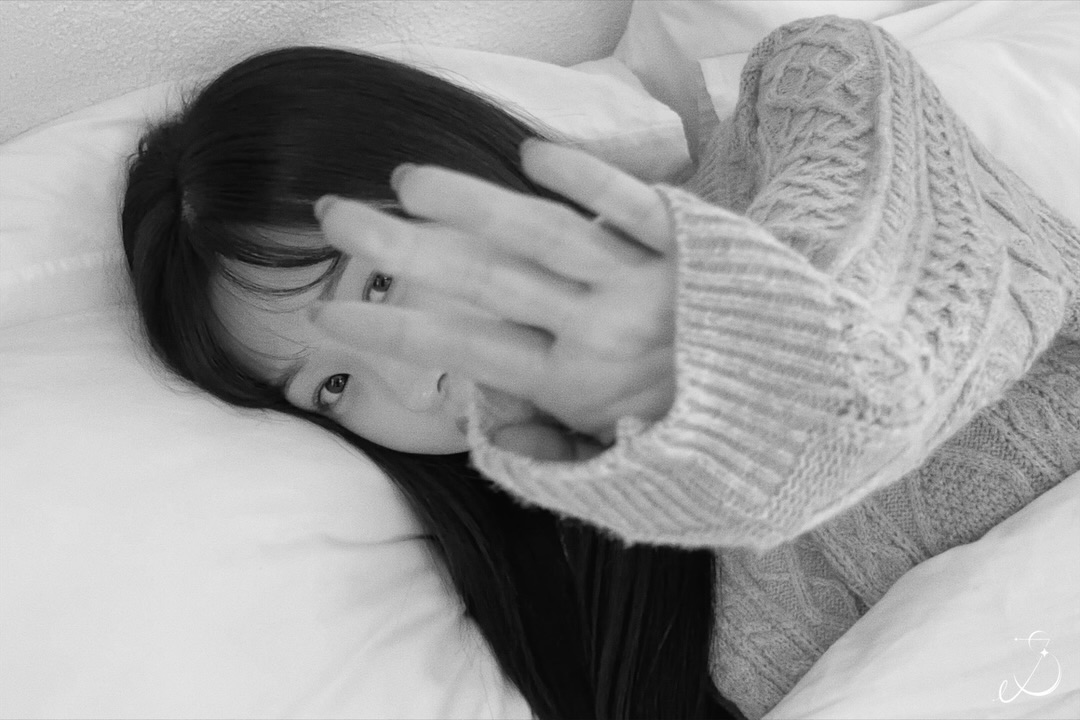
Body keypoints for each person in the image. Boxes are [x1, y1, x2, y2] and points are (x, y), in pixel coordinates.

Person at [121, 15, 1080, 720]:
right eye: (334, 388)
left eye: (377, 283)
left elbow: (914, 312)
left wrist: (734, 365)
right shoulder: (560, 622)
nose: (415, 384)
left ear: (445, 166)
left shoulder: (808, 93)